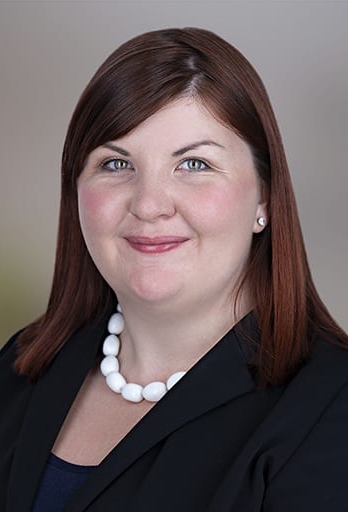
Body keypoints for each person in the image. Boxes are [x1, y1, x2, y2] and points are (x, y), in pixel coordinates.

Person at [1, 27, 348, 512]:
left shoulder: (331, 407)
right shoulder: (19, 368)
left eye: (195, 164)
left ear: (264, 198)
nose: (149, 204)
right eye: (116, 164)